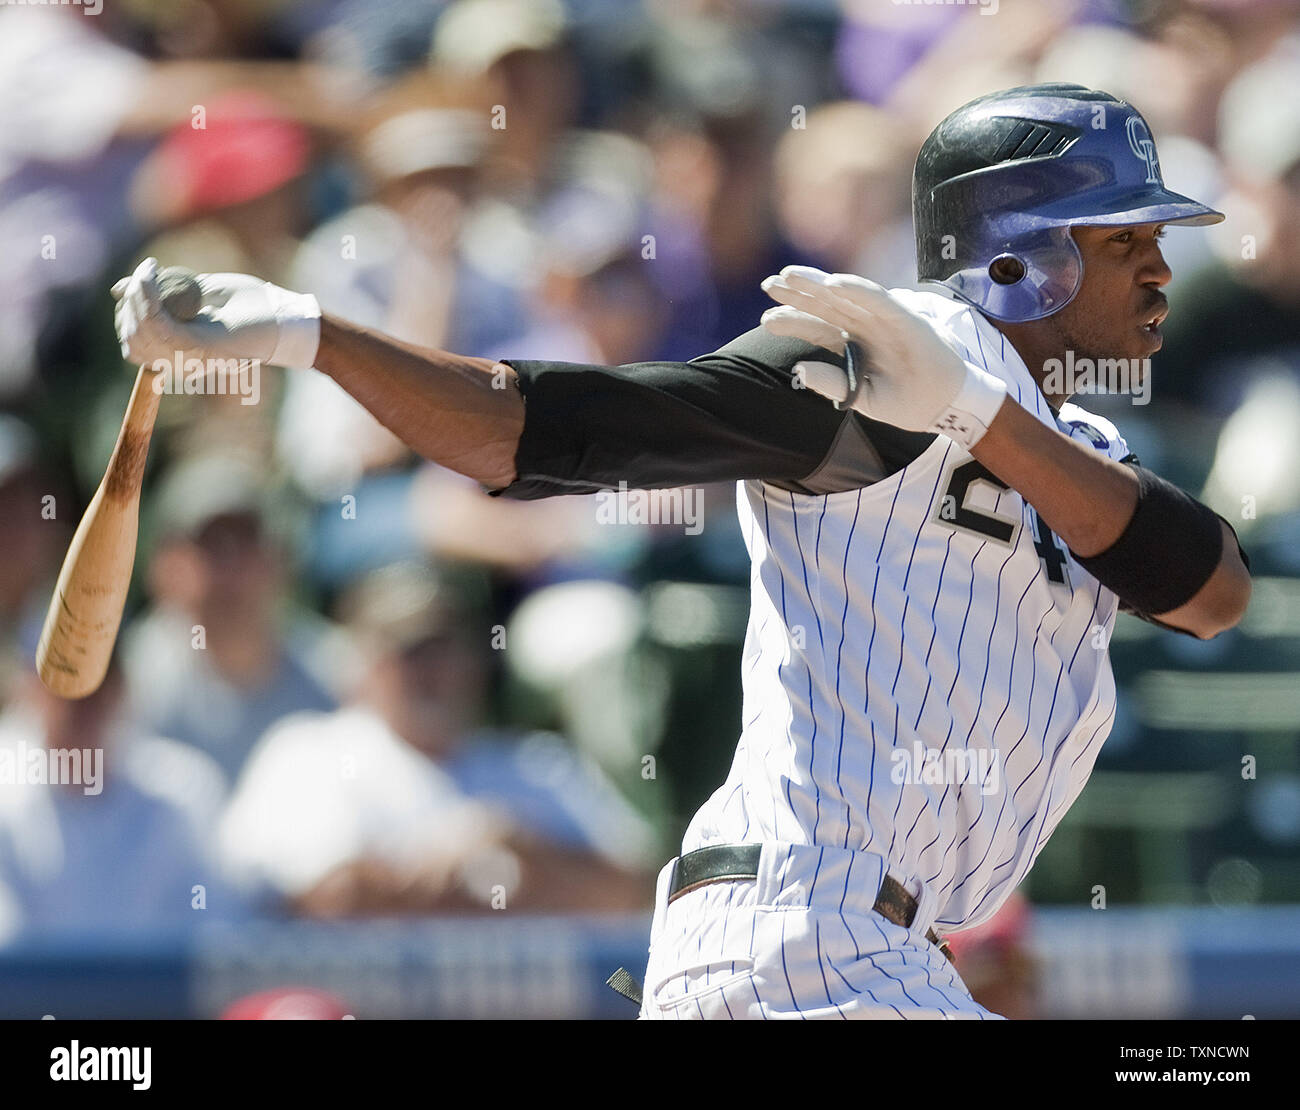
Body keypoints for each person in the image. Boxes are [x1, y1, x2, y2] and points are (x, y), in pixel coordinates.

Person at [112, 83, 1252, 1019]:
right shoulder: (882, 362)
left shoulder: (1068, 440)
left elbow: (1210, 591)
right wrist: (305, 333)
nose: (1159, 268)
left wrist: (977, 414)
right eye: (1124, 239)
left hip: (874, 952)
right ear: (1019, 255)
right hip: (808, 933)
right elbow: (555, 425)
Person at [217, 561, 656, 917]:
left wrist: (521, 846)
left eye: (449, 648)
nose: (435, 670)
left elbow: (634, 891)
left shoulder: (536, 764)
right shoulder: (310, 753)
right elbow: (314, 899)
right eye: (411, 651)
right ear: (361, 666)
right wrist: (438, 863)